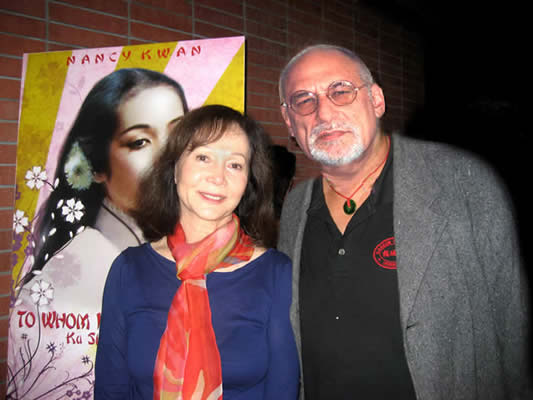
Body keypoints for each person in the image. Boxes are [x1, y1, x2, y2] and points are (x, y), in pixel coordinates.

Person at [277, 44, 530, 399]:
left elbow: (513, 332)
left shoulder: (463, 183)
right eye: (304, 100)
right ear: (289, 121)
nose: (324, 111)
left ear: (377, 100)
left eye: (341, 91)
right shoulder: (294, 209)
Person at [94, 105, 300, 399]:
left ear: (247, 182)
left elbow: (282, 390)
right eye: (203, 157)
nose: (218, 177)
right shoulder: (129, 269)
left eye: (235, 165)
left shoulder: (276, 273)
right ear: (175, 169)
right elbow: (111, 389)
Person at [7, 68, 188, 399]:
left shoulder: (159, 253)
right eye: (140, 142)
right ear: (96, 164)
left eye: (180, 137)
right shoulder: (74, 279)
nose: (169, 159)